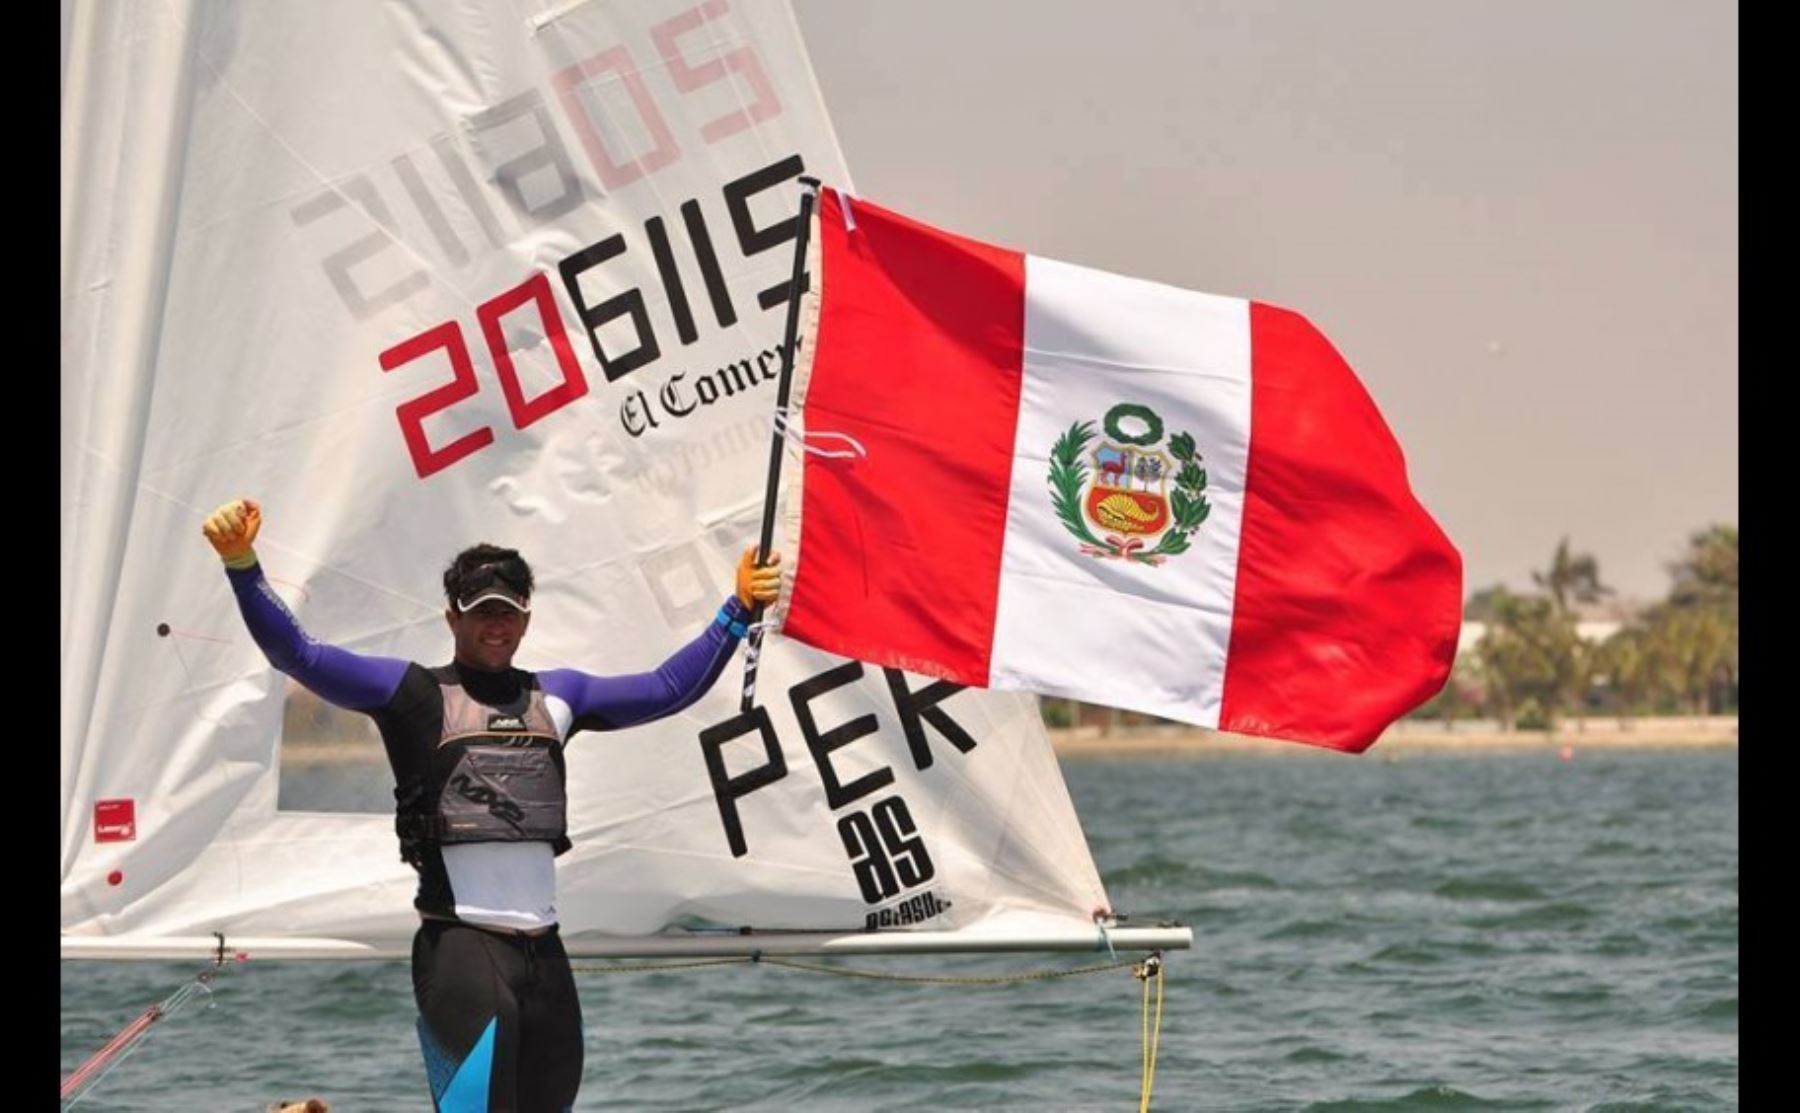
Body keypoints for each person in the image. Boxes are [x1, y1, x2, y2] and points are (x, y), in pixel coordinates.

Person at [203, 498, 781, 1113]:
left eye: (508, 612)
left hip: (545, 957)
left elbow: (667, 689)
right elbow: (300, 655)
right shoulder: (412, 694)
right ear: (452, 618)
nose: (495, 625)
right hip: (461, 951)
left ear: (526, 618)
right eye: (480, 613)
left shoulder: (558, 696)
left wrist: (737, 611)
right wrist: (243, 564)